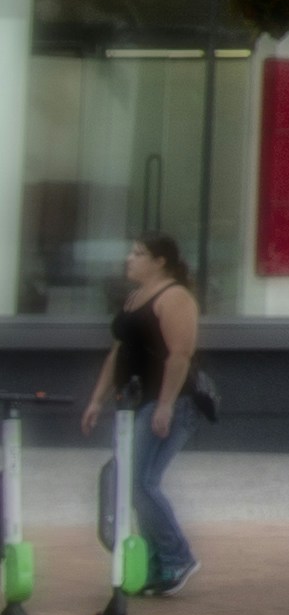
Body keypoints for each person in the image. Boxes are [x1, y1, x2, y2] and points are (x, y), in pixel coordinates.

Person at [83, 231, 202, 596]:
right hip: (135, 403)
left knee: (140, 482)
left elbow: (180, 354)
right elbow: (116, 354)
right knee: (132, 483)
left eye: (137, 254)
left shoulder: (174, 297)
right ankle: (156, 565)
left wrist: (165, 405)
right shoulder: (135, 298)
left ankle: (177, 557)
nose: (129, 259)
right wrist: (97, 400)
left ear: (159, 262)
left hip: (168, 402)